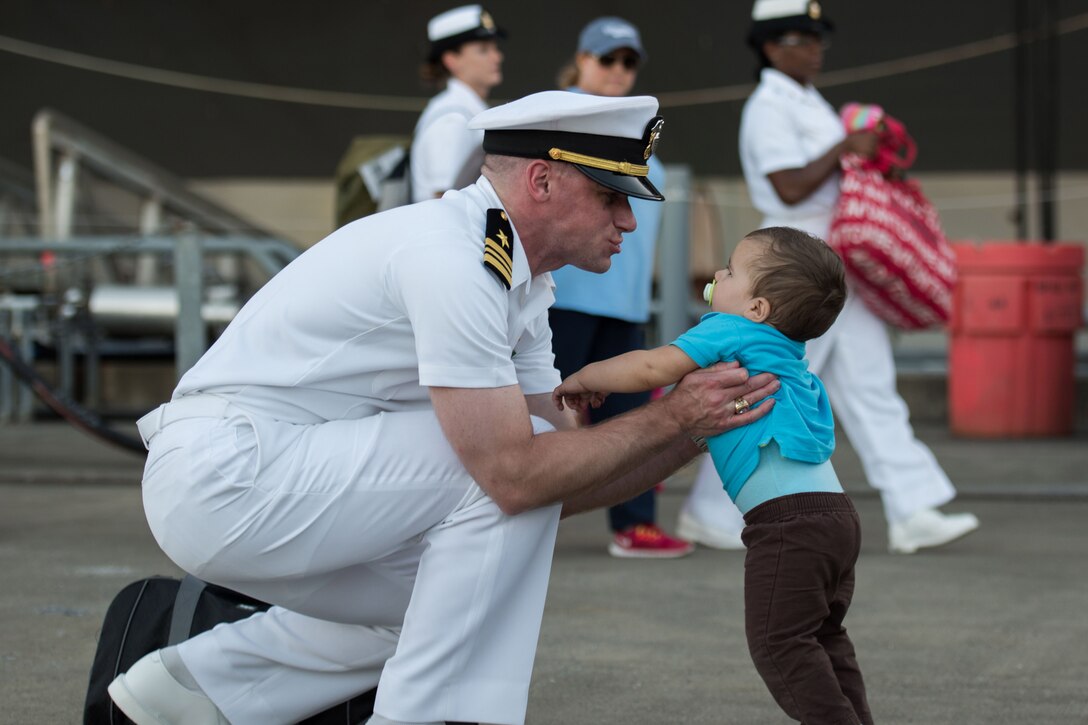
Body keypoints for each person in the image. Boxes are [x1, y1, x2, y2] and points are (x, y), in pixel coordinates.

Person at [105, 91, 781, 725]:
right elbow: (514, 476)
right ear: (543, 182)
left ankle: (188, 693)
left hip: (263, 477)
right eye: (611, 196)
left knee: (453, 595)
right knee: (499, 471)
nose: (629, 219)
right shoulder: (454, 259)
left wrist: (698, 424)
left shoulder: (521, 278)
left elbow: (564, 480)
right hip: (228, 474)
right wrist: (669, 417)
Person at [677, 0, 980, 555]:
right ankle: (709, 510)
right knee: (763, 385)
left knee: (870, 386)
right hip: (790, 266)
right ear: (770, 46)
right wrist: (844, 147)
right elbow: (789, 186)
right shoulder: (768, 105)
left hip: (833, 261)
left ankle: (913, 506)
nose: (814, 49)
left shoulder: (808, 100)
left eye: (818, 39)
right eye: (800, 38)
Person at [554, 226, 872, 725]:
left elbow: (651, 368)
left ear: (758, 308)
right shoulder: (787, 353)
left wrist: (584, 376)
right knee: (824, 637)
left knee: (779, 644)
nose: (719, 274)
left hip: (787, 523)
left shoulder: (729, 329)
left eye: (730, 270)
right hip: (835, 517)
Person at [549, 16, 691, 558]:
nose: (617, 70)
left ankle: (636, 524)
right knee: (542, 411)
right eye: (607, 59)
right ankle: (509, 516)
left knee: (632, 418)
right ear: (582, 59)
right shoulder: (557, 114)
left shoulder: (640, 121)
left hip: (622, 302)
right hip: (566, 299)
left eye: (628, 61)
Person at [410, 4, 504, 203]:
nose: (497, 57)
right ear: (451, 60)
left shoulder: (468, 111)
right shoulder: (451, 120)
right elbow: (443, 199)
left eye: (495, 48)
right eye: (483, 50)